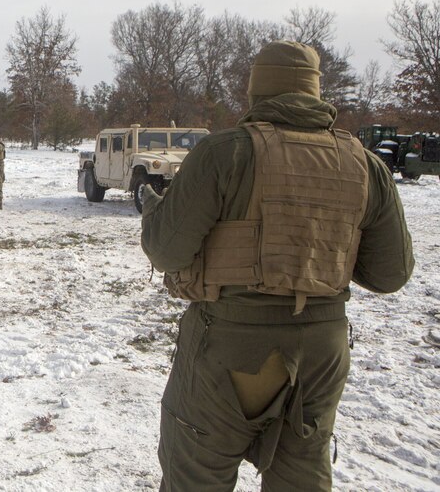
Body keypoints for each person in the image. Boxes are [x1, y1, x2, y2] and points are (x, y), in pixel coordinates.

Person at [141, 40, 413, 491]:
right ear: (316, 92)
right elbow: (391, 274)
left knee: (196, 475)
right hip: (322, 353)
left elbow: (166, 252)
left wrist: (154, 212)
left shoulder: (224, 152)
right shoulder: (365, 164)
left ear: (255, 94)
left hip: (233, 348)